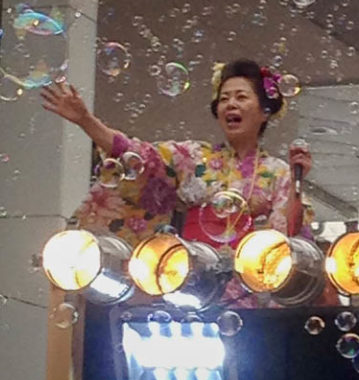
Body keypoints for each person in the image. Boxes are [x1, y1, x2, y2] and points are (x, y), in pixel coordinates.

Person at [41, 59, 311, 247]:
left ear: (265, 111)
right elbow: (140, 157)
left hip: (252, 281)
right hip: (191, 277)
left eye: (241, 97)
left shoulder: (278, 171)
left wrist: (298, 185)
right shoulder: (194, 157)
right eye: (224, 99)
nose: (230, 105)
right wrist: (86, 120)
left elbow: (286, 231)